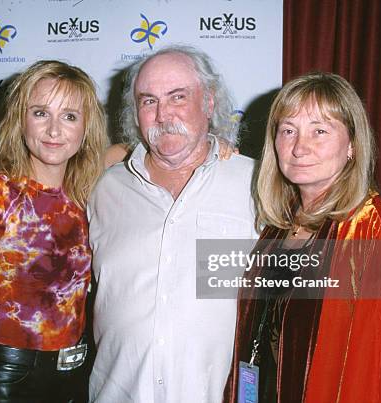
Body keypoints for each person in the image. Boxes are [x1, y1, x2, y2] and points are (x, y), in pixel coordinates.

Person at [222, 72, 381, 402]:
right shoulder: (280, 224)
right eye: (288, 130)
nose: (300, 147)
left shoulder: (375, 227)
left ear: (352, 146)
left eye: (319, 130)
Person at [87, 45, 257, 403]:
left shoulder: (255, 184)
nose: (163, 114)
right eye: (148, 101)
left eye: (178, 97)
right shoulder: (103, 187)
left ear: (208, 102)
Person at [0, 60, 108, 403]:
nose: (53, 130)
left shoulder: (91, 192)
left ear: (85, 128)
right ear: (21, 119)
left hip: (77, 373)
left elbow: (151, 153)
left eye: (69, 116)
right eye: (40, 113)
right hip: (11, 374)